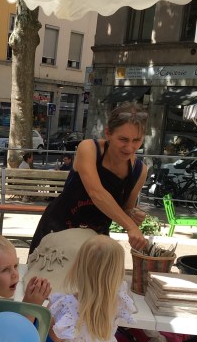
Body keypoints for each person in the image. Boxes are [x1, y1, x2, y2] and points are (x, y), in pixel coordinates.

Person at [30, 102, 149, 254]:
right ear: (108, 133)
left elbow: (126, 209)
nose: (130, 147)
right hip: (57, 230)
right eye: (123, 139)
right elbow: (96, 193)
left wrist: (132, 215)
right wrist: (130, 226)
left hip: (95, 242)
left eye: (136, 140)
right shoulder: (89, 148)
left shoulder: (139, 171)